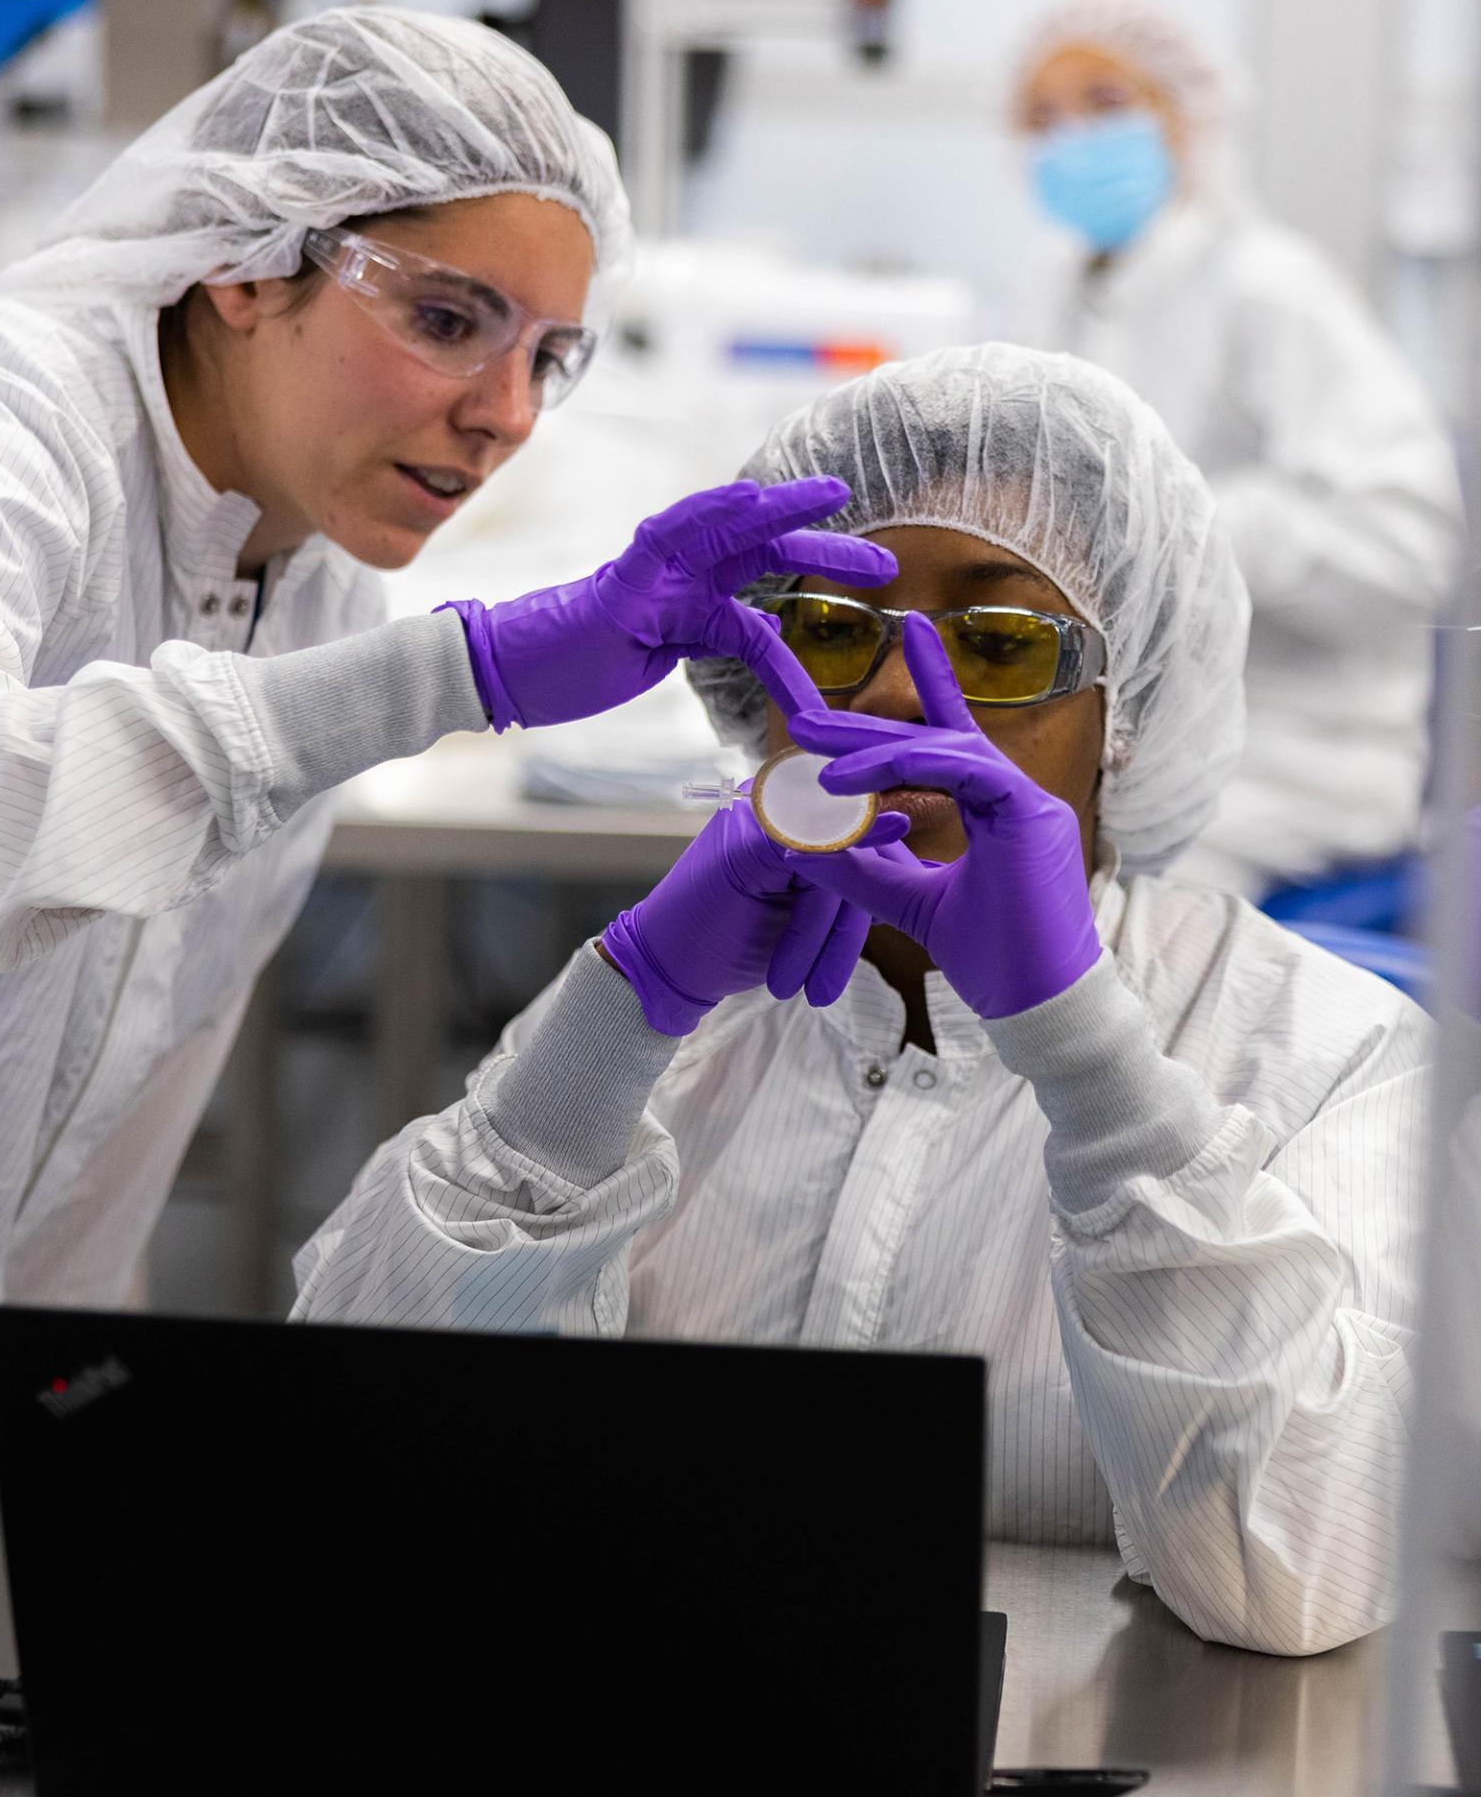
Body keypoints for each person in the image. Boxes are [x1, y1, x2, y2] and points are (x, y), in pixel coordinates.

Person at [0, 5, 892, 1456]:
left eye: (549, 360)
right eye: (448, 321)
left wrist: (48, 1445)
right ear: (246, 265)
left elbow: (106, 1115)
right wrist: (460, 675)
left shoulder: (308, 580)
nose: (503, 413)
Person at [294, 345, 1432, 1657]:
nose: (896, 696)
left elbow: (1288, 1574)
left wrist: (1082, 1052)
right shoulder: (665, 1037)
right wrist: (619, 1013)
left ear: (1128, 712)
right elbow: (363, 1464)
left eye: (1000, 646)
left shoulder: (1332, 1062)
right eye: (834, 632)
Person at [1012, 0, 1464, 898]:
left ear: (1185, 117)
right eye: (1042, 117)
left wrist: (1184, 524)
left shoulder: (1270, 289)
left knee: (1085, 923)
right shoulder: (1057, 292)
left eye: (1105, 102)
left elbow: (1409, 548)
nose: (1072, 138)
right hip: (1121, 748)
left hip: (1292, 765)